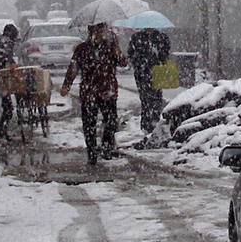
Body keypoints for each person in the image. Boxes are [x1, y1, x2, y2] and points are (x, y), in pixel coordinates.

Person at [60, 23, 128, 164]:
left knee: (111, 121)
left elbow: (123, 63)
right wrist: (66, 85)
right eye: (95, 32)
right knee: (89, 123)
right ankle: (91, 151)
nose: (98, 35)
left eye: (100, 32)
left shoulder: (110, 47)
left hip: (107, 90)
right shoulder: (82, 49)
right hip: (89, 90)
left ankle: (106, 147)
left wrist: (118, 52)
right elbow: (73, 67)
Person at [126, 26, 172, 138]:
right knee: (145, 98)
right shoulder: (137, 37)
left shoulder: (161, 37)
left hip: (157, 71)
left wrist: (158, 54)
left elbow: (166, 53)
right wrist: (141, 59)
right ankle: (146, 125)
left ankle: (154, 122)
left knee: (156, 98)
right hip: (142, 73)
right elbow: (131, 54)